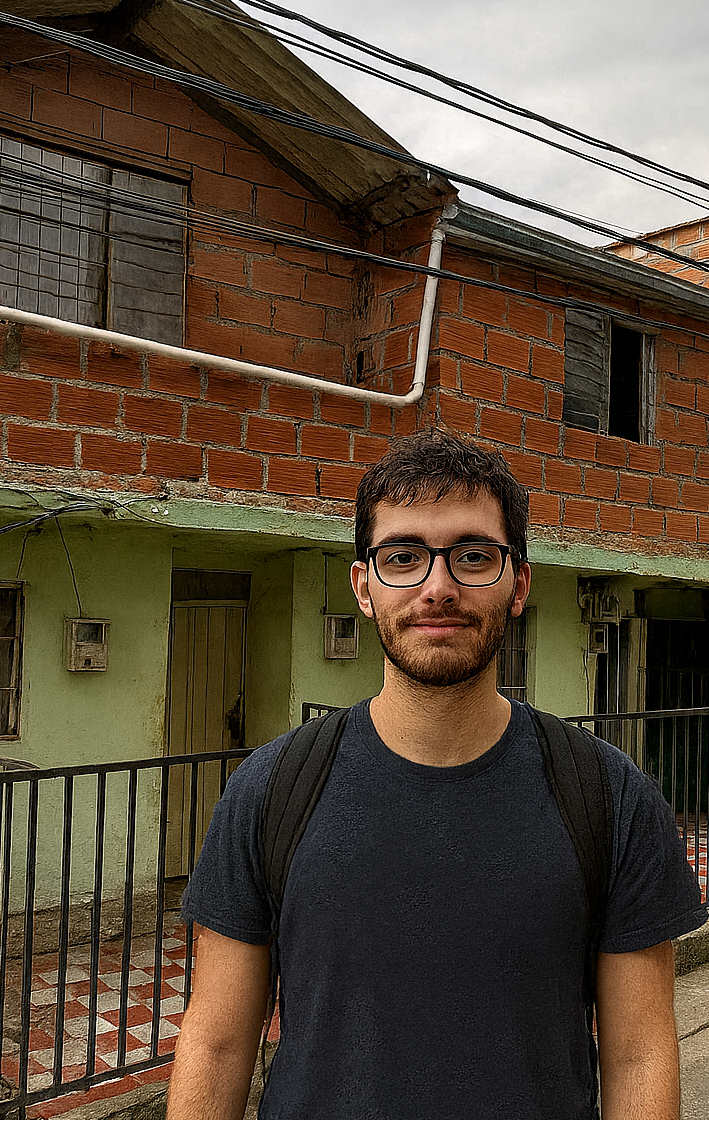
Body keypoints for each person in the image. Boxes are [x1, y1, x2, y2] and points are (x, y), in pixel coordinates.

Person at [168, 428, 706, 1120]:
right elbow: (213, 1044)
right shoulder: (271, 789)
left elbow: (637, 1055)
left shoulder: (607, 794)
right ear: (364, 586)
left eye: (473, 555)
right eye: (403, 556)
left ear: (518, 583)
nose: (437, 586)